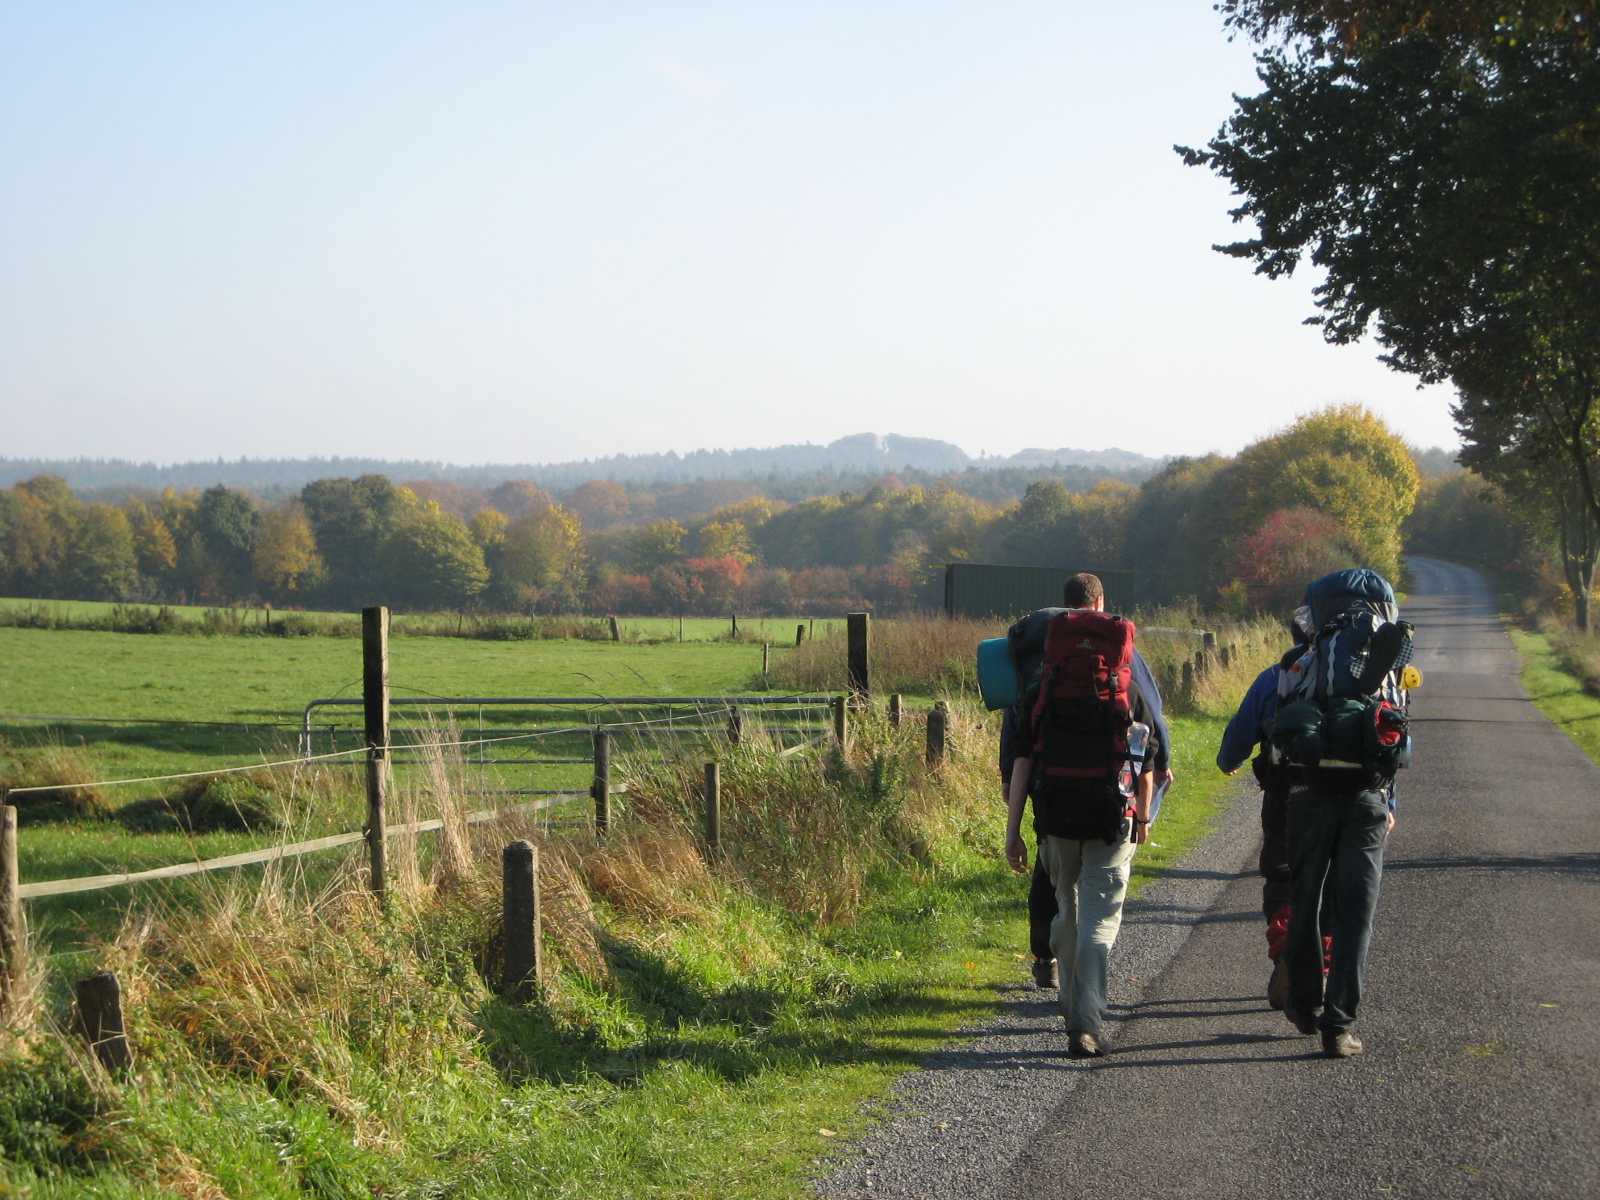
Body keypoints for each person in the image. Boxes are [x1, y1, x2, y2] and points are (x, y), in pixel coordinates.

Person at [1002, 572, 1164, 1058]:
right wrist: (1143, 817)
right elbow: (1145, 760)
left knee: (1068, 912)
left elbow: (1022, 762)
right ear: (1102, 606)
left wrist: (1013, 833)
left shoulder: (1041, 684)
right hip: (1110, 816)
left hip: (1056, 816)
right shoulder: (1126, 684)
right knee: (1099, 921)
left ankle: (1072, 1004)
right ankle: (1085, 1022)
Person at [1277, 569, 1403, 1059]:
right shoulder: (1389, 662)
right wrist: (1389, 802)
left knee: (1305, 898)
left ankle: (1305, 1000)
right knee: (1356, 912)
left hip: (1309, 794)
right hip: (1367, 796)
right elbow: (1397, 738)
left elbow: (1282, 726)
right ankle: (1339, 1025)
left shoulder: (1302, 660)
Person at [1216, 612, 1324, 1010]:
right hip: (1348, 796)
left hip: (1287, 792)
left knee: (1282, 874)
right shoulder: (1367, 679)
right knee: (1332, 881)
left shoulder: (1275, 677)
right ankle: (1322, 967)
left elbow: (1237, 740)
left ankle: (1285, 955)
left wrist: (1230, 759)